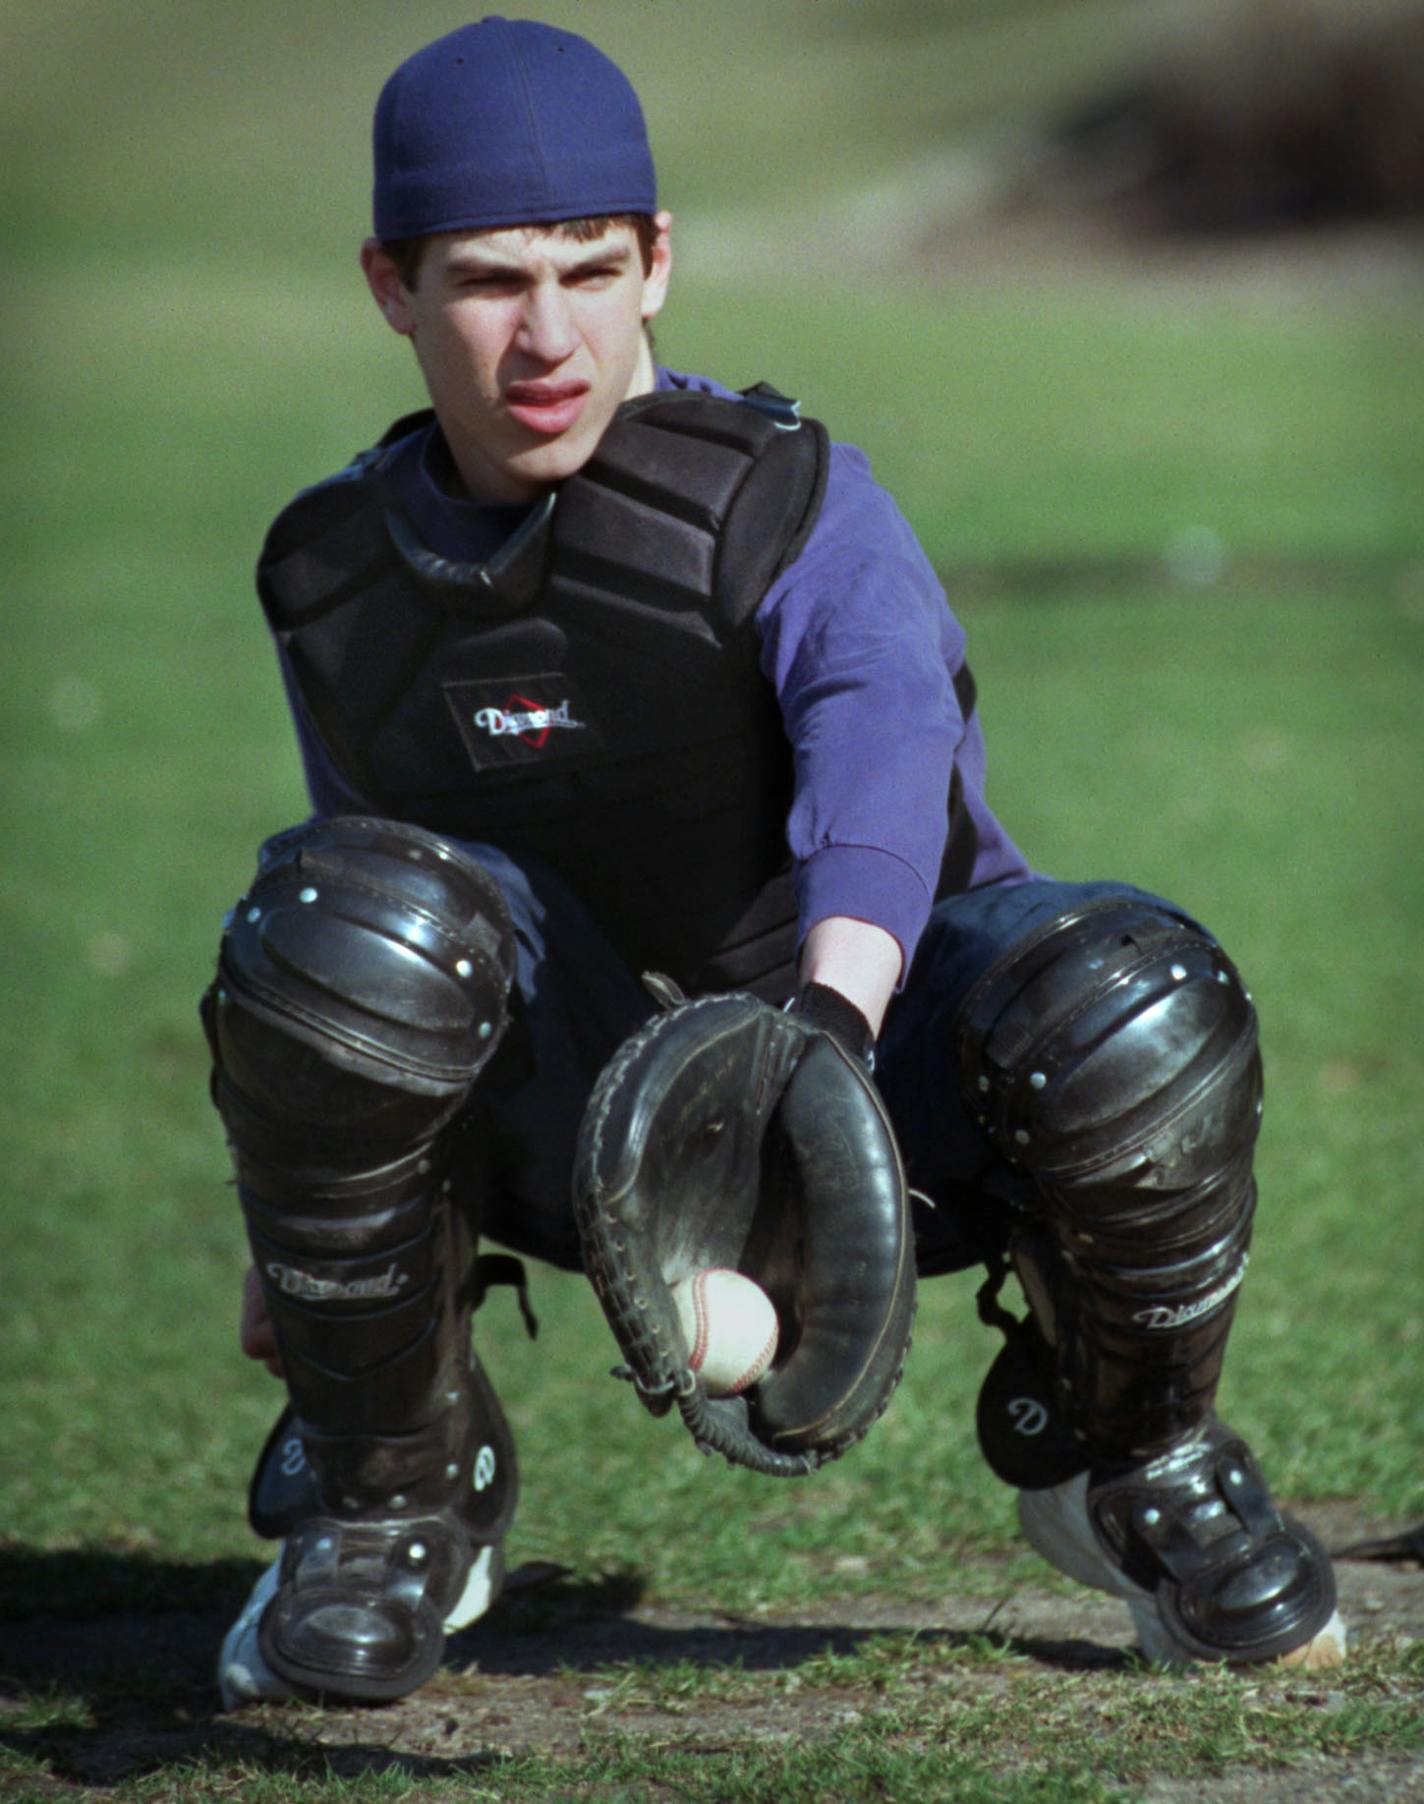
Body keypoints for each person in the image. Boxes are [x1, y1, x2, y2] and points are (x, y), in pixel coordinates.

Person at [206, 17, 1345, 1708]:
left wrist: (825, 1016)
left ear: (659, 262)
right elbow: (368, 886)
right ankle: (397, 1496)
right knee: (339, 926)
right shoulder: (338, 575)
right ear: (390, 285)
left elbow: (884, 758)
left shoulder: (784, 496)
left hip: (876, 1062)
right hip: (581, 1107)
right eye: (488, 281)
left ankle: (1133, 1457)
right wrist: (303, 1243)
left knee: (1134, 1003)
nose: (547, 334)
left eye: (592, 270)